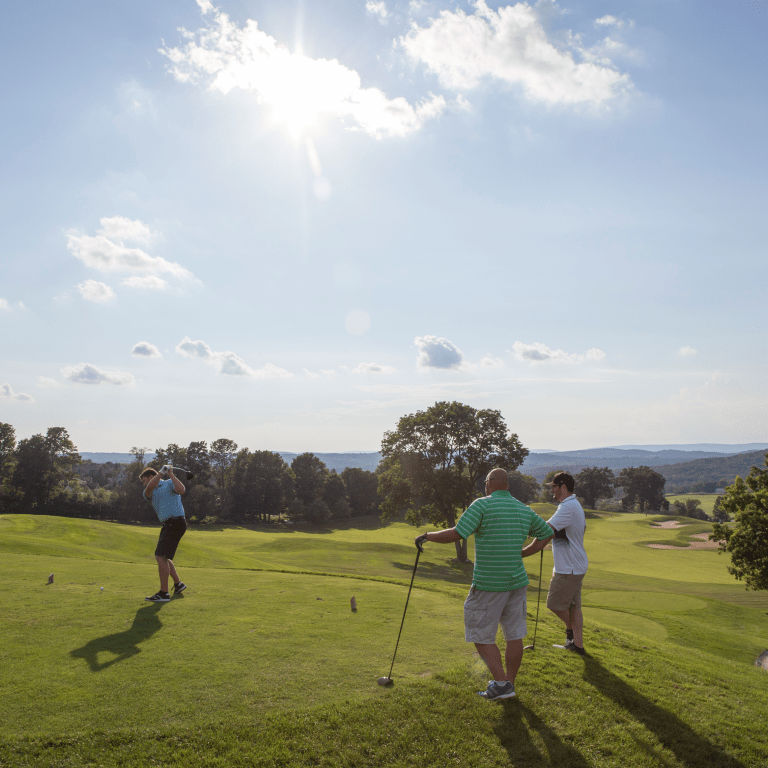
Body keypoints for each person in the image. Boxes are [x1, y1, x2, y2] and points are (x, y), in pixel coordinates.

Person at [415, 468, 553, 700]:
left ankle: (501, 684)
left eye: (486, 482)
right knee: (514, 635)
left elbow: (458, 533)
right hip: (517, 581)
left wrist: (427, 536)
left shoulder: (481, 505)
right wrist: (523, 553)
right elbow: (546, 532)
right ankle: (509, 684)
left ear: (489, 484)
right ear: (506, 486)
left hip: (490, 583)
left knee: (480, 635)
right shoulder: (522, 509)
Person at [544, 471, 588, 655]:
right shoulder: (573, 505)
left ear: (563, 487)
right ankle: (577, 645)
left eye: (554, 486)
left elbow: (546, 529)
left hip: (569, 568)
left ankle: (570, 632)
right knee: (574, 607)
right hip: (575, 565)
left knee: (553, 604)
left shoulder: (567, 507)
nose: (552, 490)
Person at [140, 466, 188, 602]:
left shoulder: (168, 483)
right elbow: (149, 488)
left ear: (150, 476)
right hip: (169, 524)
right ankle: (178, 584)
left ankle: (163, 593)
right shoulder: (148, 491)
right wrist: (161, 472)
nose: (144, 484)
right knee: (164, 557)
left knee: (160, 556)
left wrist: (171, 474)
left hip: (176, 523)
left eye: (144, 480)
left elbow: (182, 490)